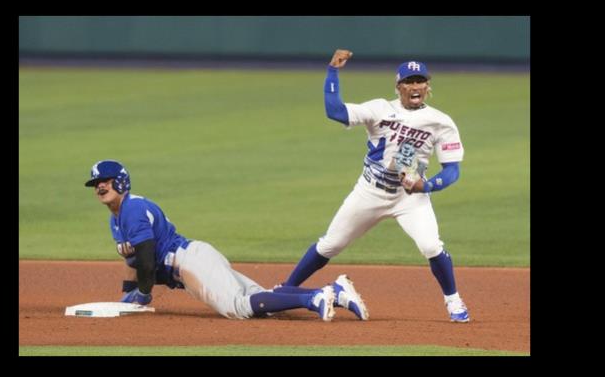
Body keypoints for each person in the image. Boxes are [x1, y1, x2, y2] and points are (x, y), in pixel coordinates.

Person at [279, 49, 470, 323]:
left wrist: (426, 186)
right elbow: (335, 111)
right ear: (398, 86)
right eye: (409, 81)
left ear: (428, 87)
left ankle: (454, 302)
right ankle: (286, 290)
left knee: (431, 245)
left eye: (420, 81)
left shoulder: (441, 122)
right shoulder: (380, 108)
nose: (415, 86)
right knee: (330, 245)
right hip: (369, 192)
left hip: (409, 198)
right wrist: (332, 71)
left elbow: (452, 170)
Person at [84, 159, 370, 321]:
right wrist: (128, 293)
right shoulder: (116, 218)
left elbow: (146, 261)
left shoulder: (132, 209)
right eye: (96, 183)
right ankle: (336, 291)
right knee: (258, 298)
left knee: (239, 307)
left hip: (188, 263)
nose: (100, 187)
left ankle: (315, 298)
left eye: (105, 181)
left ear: (121, 180)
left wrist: (143, 295)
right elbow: (132, 260)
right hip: (194, 258)